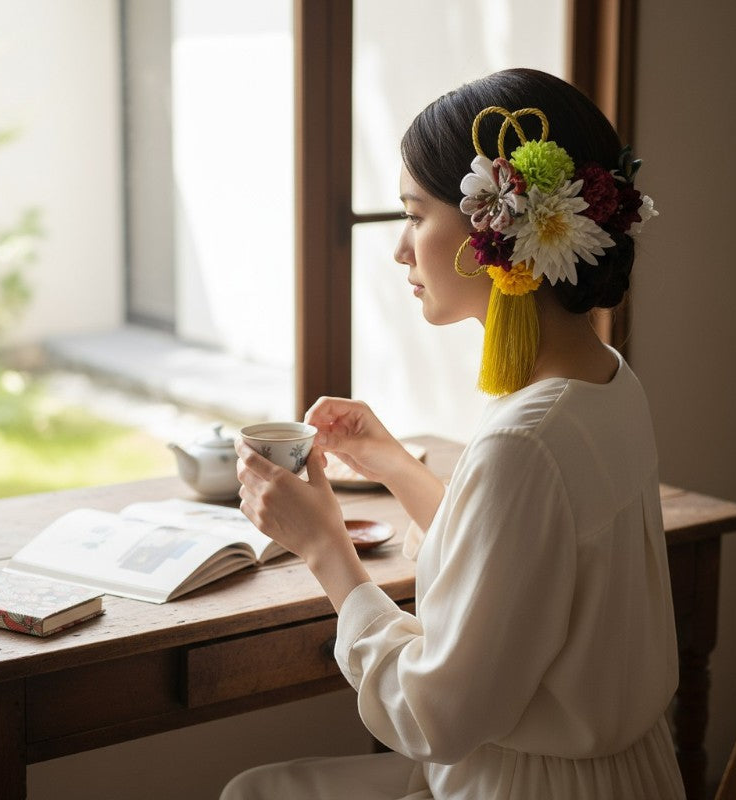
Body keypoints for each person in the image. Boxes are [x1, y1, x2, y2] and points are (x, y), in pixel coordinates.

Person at [223, 67, 685, 799]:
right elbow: (520, 568)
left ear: (492, 231)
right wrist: (392, 462)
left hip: (531, 786)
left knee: (254, 791)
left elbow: (438, 712)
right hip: (619, 773)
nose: (401, 250)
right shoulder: (602, 382)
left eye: (414, 214)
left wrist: (325, 548)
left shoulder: (526, 439)